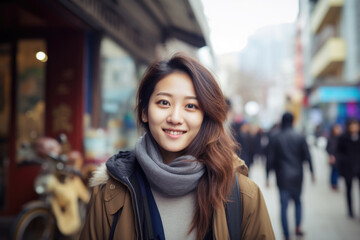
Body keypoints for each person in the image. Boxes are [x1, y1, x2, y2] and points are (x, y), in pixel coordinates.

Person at [80, 54, 275, 240]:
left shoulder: (242, 195)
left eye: (191, 106)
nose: (175, 118)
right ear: (145, 111)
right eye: (164, 103)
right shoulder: (111, 192)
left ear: (205, 116)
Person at [266, 112, 314, 240]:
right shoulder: (300, 136)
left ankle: (286, 233)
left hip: (281, 176)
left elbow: (269, 157)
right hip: (297, 174)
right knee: (298, 201)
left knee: (284, 205)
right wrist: (312, 171)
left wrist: (267, 176)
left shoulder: (275, 136)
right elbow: (307, 155)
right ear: (293, 121)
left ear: (282, 121)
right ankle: (298, 226)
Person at [335, 117, 360, 218]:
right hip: (348, 167)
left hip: (359, 167)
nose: (354, 128)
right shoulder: (343, 138)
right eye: (352, 126)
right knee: (349, 189)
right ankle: (350, 211)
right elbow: (339, 152)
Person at [325, 123, 342, 191]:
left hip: (339, 157)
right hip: (332, 157)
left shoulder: (341, 138)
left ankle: (335, 183)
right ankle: (333, 183)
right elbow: (327, 148)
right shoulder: (331, 138)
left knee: (337, 171)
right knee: (334, 171)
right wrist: (330, 155)